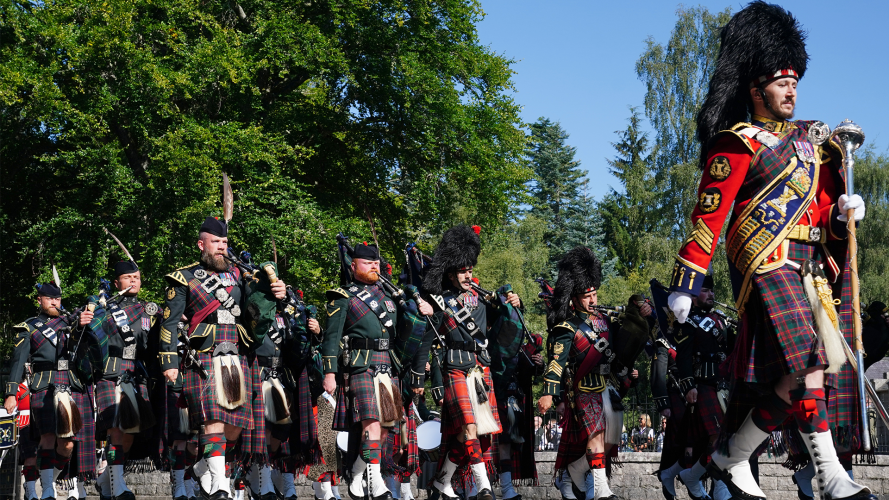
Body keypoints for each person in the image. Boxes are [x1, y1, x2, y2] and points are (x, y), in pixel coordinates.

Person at [665, 3, 875, 500]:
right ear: (756, 89)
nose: (792, 90)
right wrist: (686, 281)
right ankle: (830, 476)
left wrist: (844, 212)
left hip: (810, 270)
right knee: (809, 362)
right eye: (782, 83)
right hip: (764, 265)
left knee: (792, 380)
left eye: (795, 82)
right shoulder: (736, 143)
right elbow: (709, 213)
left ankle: (727, 460)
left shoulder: (815, 145)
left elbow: (823, 219)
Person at [159, 216, 287, 500]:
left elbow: (258, 308)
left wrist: (278, 292)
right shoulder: (183, 277)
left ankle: (204, 464)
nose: (221, 247)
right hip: (204, 354)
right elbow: (168, 324)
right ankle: (219, 484)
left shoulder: (242, 275)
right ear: (201, 244)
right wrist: (168, 362)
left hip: (238, 353)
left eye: (225, 242)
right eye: (216, 242)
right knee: (213, 419)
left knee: (235, 427)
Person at [419, 225, 525, 500]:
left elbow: (506, 324)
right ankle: (484, 487)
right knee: (468, 427)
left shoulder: (483, 297)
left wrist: (515, 302)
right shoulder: (440, 302)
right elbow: (426, 343)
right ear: (451, 272)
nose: (468, 275)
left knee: (475, 433)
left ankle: (442, 482)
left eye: (470, 269)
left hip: (479, 369)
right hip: (454, 368)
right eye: (462, 270)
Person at [321, 242, 432, 500]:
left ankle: (358, 473)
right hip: (361, 365)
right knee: (370, 425)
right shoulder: (343, 295)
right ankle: (376, 482)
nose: (373, 267)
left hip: (388, 365)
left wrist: (427, 311)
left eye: (376, 263)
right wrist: (329, 372)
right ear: (353, 266)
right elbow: (331, 337)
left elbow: (410, 332)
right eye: (367, 263)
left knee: (384, 430)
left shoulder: (392, 296)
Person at [536, 246, 649, 500]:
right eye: (587, 296)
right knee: (597, 436)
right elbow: (556, 362)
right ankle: (601, 491)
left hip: (605, 389)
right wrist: (549, 393)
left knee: (610, 441)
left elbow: (625, 343)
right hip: (583, 390)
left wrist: (641, 311)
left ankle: (575, 470)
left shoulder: (606, 321)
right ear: (574, 297)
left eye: (595, 294)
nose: (593, 300)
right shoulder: (565, 328)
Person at [5, 279, 96, 500]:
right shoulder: (28, 326)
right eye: (50, 298)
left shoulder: (72, 322)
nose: (54, 302)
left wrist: (82, 326)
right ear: (40, 300)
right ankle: (47, 491)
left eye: (57, 298)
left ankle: (51, 479)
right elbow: (18, 362)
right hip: (43, 385)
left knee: (67, 443)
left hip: (72, 383)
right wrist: (10, 393)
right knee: (46, 438)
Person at [90, 260, 159, 500]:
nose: (133, 281)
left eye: (137, 277)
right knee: (116, 430)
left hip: (136, 373)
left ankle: (104, 480)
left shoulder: (149, 310)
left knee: (129, 434)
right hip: (111, 371)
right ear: (117, 281)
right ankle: (118, 486)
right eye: (128, 278)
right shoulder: (105, 309)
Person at [673, 279, 730, 500]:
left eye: (711, 290)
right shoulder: (686, 321)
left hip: (723, 383)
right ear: (694, 296)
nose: (711, 294)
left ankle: (693, 475)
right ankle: (721, 488)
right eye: (705, 290)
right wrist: (689, 385)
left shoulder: (720, 320)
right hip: (703, 384)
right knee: (717, 438)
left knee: (723, 439)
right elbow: (683, 356)